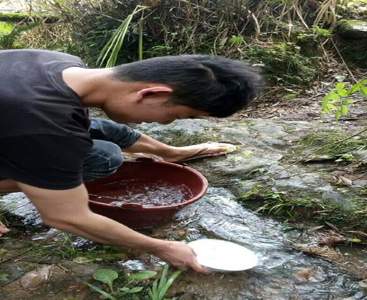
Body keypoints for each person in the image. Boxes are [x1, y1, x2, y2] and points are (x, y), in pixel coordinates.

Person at [0, 49, 262, 272]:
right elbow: (67, 217)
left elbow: (62, 123)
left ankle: (171, 153)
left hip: (17, 119)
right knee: (98, 161)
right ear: (151, 93)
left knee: (101, 148)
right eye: (179, 116)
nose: (166, 122)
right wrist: (162, 247)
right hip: (25, 122)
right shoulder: (41, 122)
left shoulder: (59, 62)